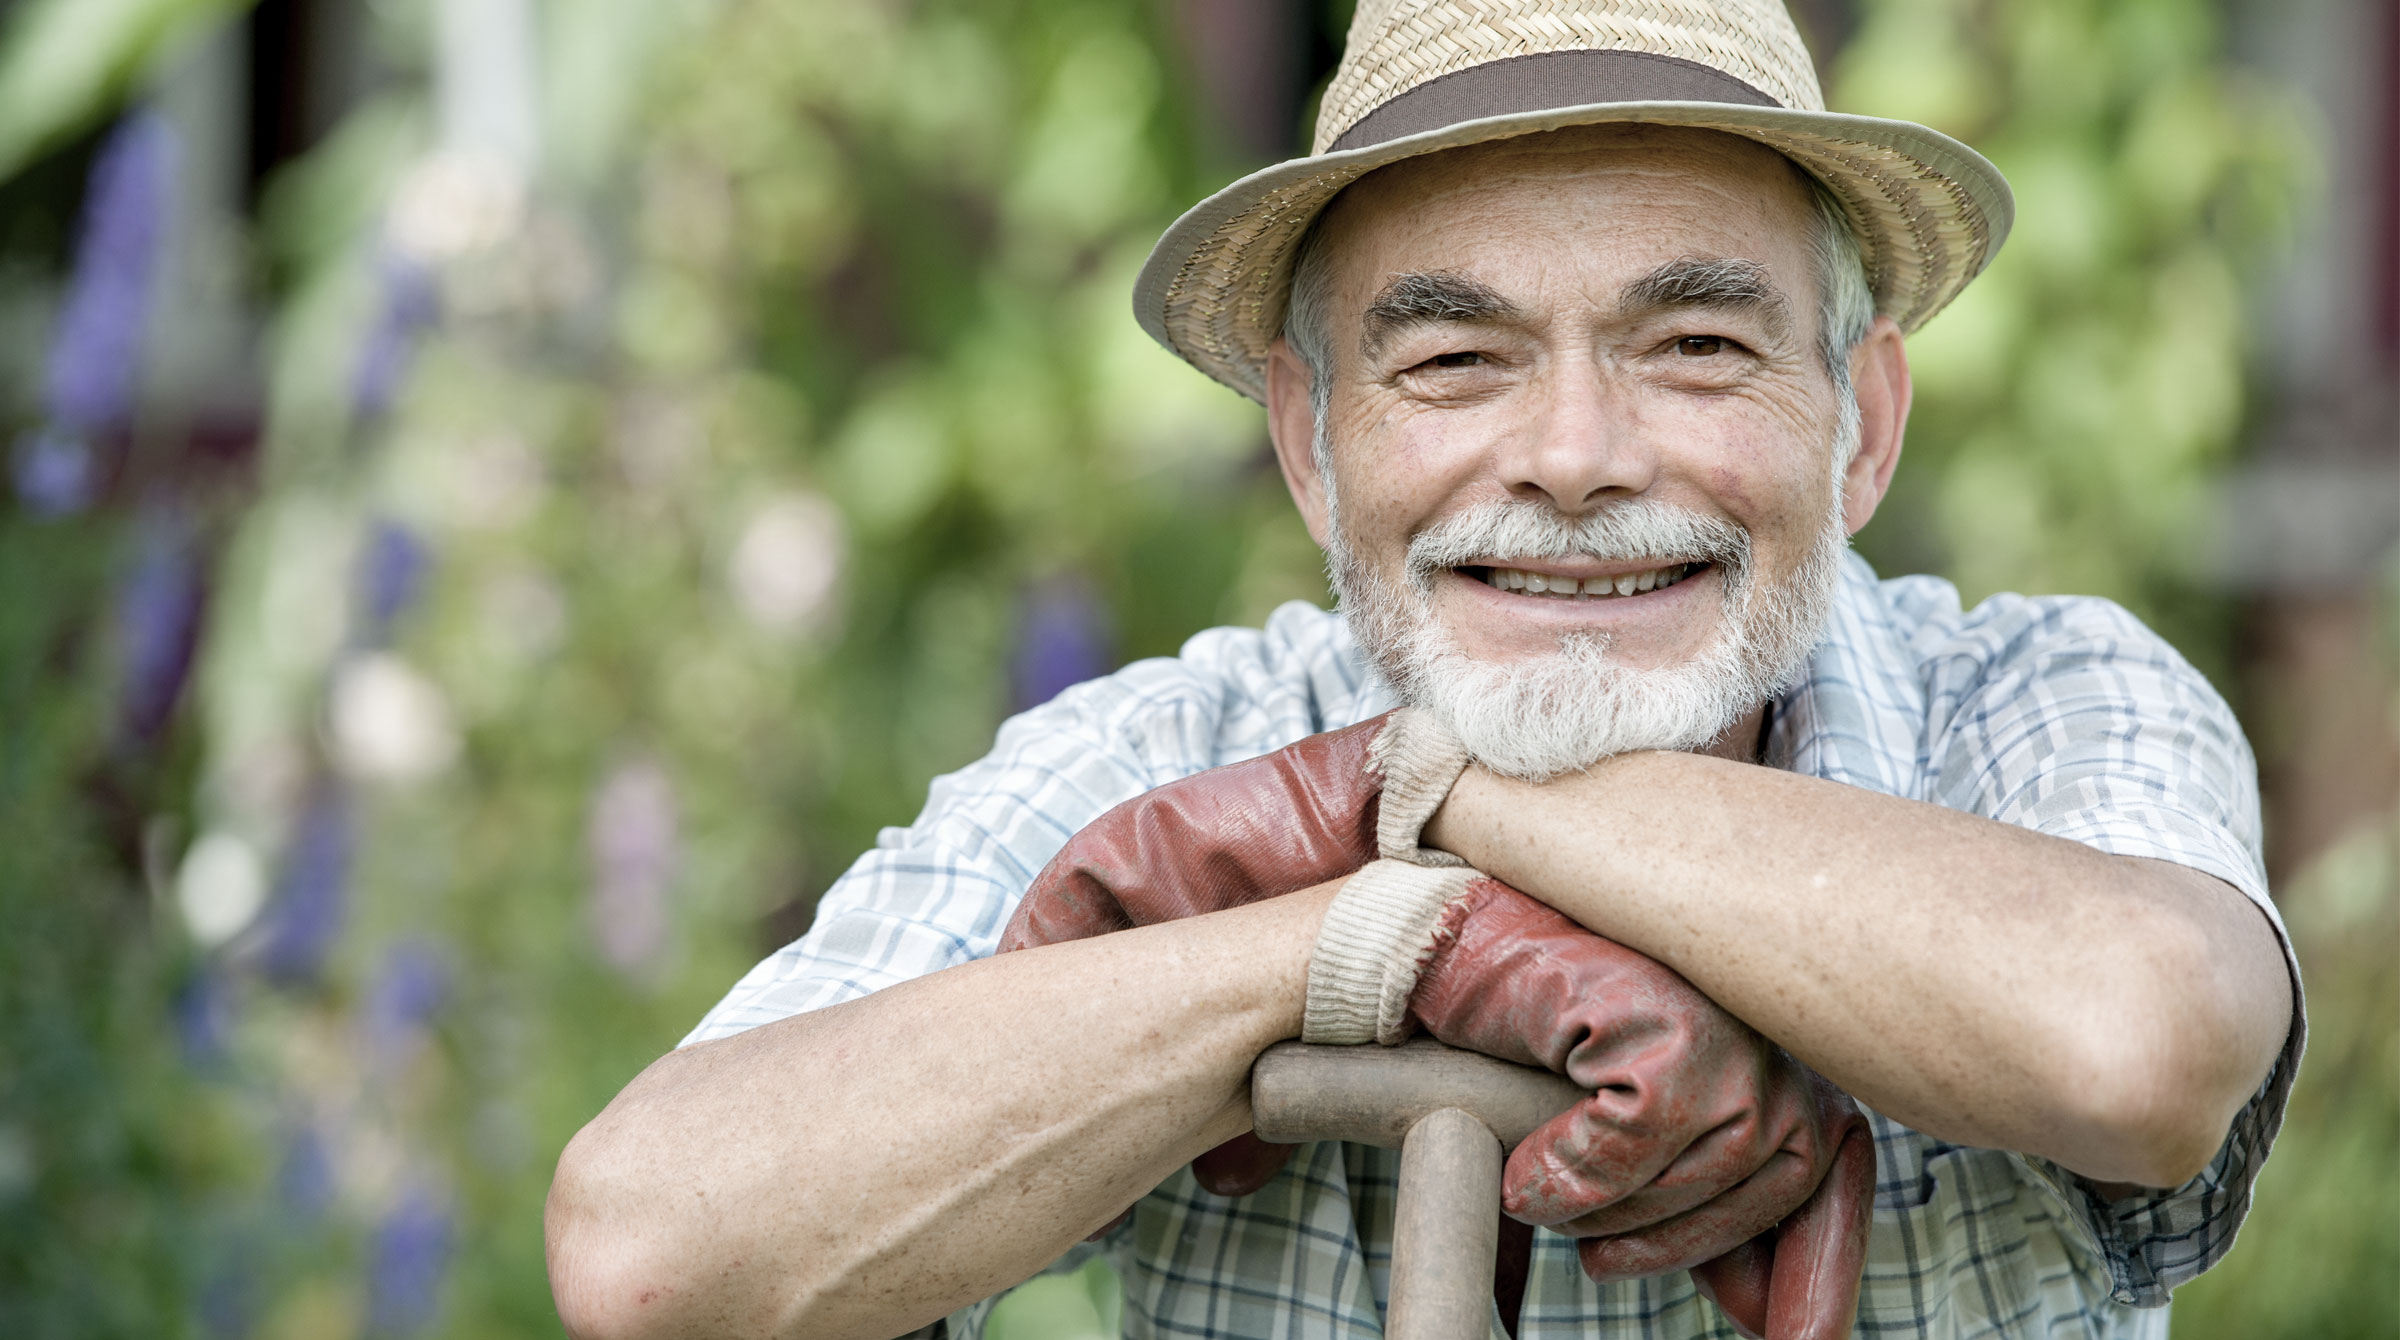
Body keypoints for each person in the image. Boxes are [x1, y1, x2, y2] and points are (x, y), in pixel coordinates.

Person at [543, 1, 2303, 1337]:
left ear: (1862, 429)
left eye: (1694, 345)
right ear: (1310, 446)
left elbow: (2136, 1040)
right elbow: (654, 1251)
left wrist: (1429, 790)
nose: (1574, 453)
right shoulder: (1176, 738)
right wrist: (1360, 935)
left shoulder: (2033, 698)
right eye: (1454, 359)